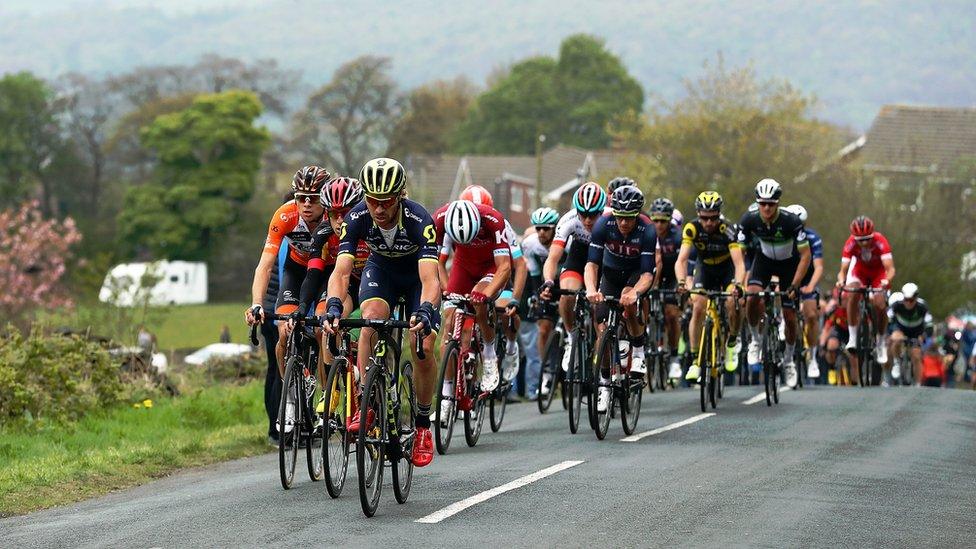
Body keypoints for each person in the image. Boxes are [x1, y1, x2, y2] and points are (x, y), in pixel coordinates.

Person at [321, 157, 440, 468]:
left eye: (386, 202)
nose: (379, 209)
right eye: (372, 201)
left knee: (424, 347)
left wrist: (426, 310)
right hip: (382, 271)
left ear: (399, 196)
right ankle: (364, 401)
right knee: (370, 316)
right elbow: (342, 271)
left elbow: (431, 279)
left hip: (415, 278)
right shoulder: (356, 217)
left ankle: (424, 424)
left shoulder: (419, 220)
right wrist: (334, 303)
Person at [245, 165, 330, 389]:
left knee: (322, 330)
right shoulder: (285, 214)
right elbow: (264, 266)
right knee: (283, 328)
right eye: (301, 198)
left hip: (327, 273)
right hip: (297, 269)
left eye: (313, 198)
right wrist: (256, 304)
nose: (307, 204)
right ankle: (290, 393)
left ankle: (325, 396)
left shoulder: (335, 217)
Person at [448, 185, 528, 389]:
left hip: (499, 272)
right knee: (461, 327)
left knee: (505, 312)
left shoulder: (502, 226)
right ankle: (467, 378)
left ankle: (510, 347)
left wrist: (515, 299)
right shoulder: (455, 223)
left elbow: (520, 265)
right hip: (468, 273)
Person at [585, 186, 656, 412]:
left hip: (635, 274)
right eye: (620, 218)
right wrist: (590, 289)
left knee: (629, 301)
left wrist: (636, 292)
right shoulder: (602, 224)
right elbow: (592, 264)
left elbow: (647, 274)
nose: (624, 223)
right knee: (602, 327)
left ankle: (638, 351)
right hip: (610, 274)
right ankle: (604, 383)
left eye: (629, 218)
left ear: (637, 215)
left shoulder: (648, 229)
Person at [433, 199, 512, 396]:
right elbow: (433, 262)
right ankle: (447, 393)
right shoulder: (439, 220)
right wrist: (444, 290)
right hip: (463, 267)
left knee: (479, 302)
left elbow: (505, 267)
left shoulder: (494, 219)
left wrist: (485, 294)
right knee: (449, 324)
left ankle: (489, 353)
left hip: (490, 267)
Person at [739, 179, 811, 388]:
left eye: (771, 203)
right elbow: (740, 252)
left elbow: (805, 256)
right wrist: (739, 280)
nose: (767, 208)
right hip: (764, 262)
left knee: (789, 317)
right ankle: (755, 340)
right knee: (752, 296)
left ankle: (788, 360)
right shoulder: (750, 219)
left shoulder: (791, 222)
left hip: (789, 265)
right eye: (763, 203)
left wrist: (795, 284)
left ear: (778, 203)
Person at [675, 191, 746, 382]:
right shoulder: (691, 229)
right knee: (698, 305)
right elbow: (681, 260)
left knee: (733, 302)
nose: (708, 223)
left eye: (713, 218)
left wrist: (738, 285)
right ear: (698, 215)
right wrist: (682, 282)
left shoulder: (728, 229)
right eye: (704, 218)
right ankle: (695, 359)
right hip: (704, 268)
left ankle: (731, 342)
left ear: (719, 215)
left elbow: (739, 264)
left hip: (726, 270)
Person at [540, 182, 608, 372]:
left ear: (602, 211)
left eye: (593, 215)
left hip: (605, 259)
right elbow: (553, 257)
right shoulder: (568, 220)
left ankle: (601, 357)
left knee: (599, 308)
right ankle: (572, 338)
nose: (587, 220)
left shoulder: (611, 219)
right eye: (583, 214)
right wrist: (548, 282)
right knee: (567, 295)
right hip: (579, 255)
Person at [836, 215, 895, 382]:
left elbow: (890, 269)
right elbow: (843, 269)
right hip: (860, 272)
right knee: (852, 293)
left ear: (872, 235)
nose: (863, 243)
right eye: (860, 240)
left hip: (878, 274)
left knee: (879, 303)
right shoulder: (850, 243)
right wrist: (841, 280)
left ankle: (881, 341)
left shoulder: (880, 241)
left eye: (867, 239)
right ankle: (853, 337)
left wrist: (886, 281)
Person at [522, 206, 560, 398]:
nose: (542, 233)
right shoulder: (530, 244)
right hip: (546, 284)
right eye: (538, 228)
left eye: (546, 228)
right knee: (544, 329)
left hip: (567, 280)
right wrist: (537, 295)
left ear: (555, 228)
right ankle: (546, 372)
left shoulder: (566, 241)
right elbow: (534, 273)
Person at [785, 204, 824, 381]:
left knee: (811, 314)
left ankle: (812, 357)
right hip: (787, 277)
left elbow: (818, 267)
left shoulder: (812, 237)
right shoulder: (781, 237)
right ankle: (780, 323)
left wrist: (811, 286)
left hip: (807, 279)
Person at [648, 197, 684, 380]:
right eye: (655, 220)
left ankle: (675, 357)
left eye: (663, 221)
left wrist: (681, 283)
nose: (659, 225)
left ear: (670, 220)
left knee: (671, 313)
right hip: (651, 274)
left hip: (672, 276)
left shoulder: (677, 235)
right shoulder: (646, 232)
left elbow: (684, 262)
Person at [887, 282, 932, 383]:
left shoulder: (922, 307)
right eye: (906, 300)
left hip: (917, 332)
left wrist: (924, 336)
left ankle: (918, 384)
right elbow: (888, 319)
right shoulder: (897, 305)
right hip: (901, 330)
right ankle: (897, 362)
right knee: (896, 341)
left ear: (916, 298)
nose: (908, 303)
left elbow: (929, 325)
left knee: (916, 356)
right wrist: (892, 332)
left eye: (911, 300)